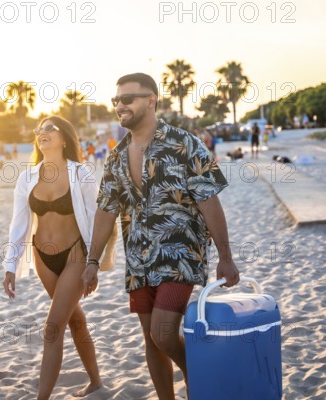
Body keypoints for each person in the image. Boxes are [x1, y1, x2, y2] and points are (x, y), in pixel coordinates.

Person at [81, 73, 240, 400]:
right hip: (138, 260)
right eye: (116, 100)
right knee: (150, 339)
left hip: (180, 256)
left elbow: (209, 201)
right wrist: (92, 262)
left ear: (151, 100)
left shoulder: (184, 144)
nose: (119, 106)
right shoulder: (116, 156)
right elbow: (105, 211)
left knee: (163, 333)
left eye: (127, 99)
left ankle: (203, 374)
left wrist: (225, 257)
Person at [2, 116, 116, 400]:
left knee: (52, 327)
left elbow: (95, 218)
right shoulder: (27, 177)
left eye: (50, 129)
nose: (42, 133)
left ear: (64, 139)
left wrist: (93, 263)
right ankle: (96, 382)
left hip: (75, 256)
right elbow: (18, 224)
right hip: (42, 257)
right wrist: (10, 266)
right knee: (74, 320)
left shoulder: (80, 174)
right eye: (39, 129)